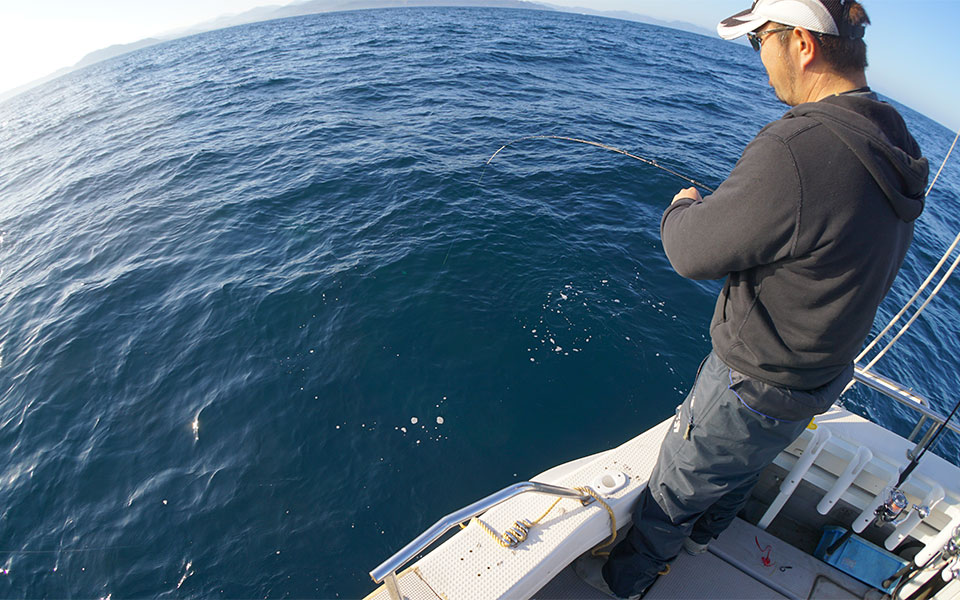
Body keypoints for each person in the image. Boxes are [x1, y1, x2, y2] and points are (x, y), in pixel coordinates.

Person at [575, 0, 930, 598]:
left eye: (759, 40)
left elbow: (690, 253)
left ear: (801, 43)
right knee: (740, 470)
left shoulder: (802, 145)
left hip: (752, 382)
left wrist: (682, 206)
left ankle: (625, 583)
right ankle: (705, 541)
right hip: (816, 380)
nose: (759, 58)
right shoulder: (890, 141)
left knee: (675, 490)